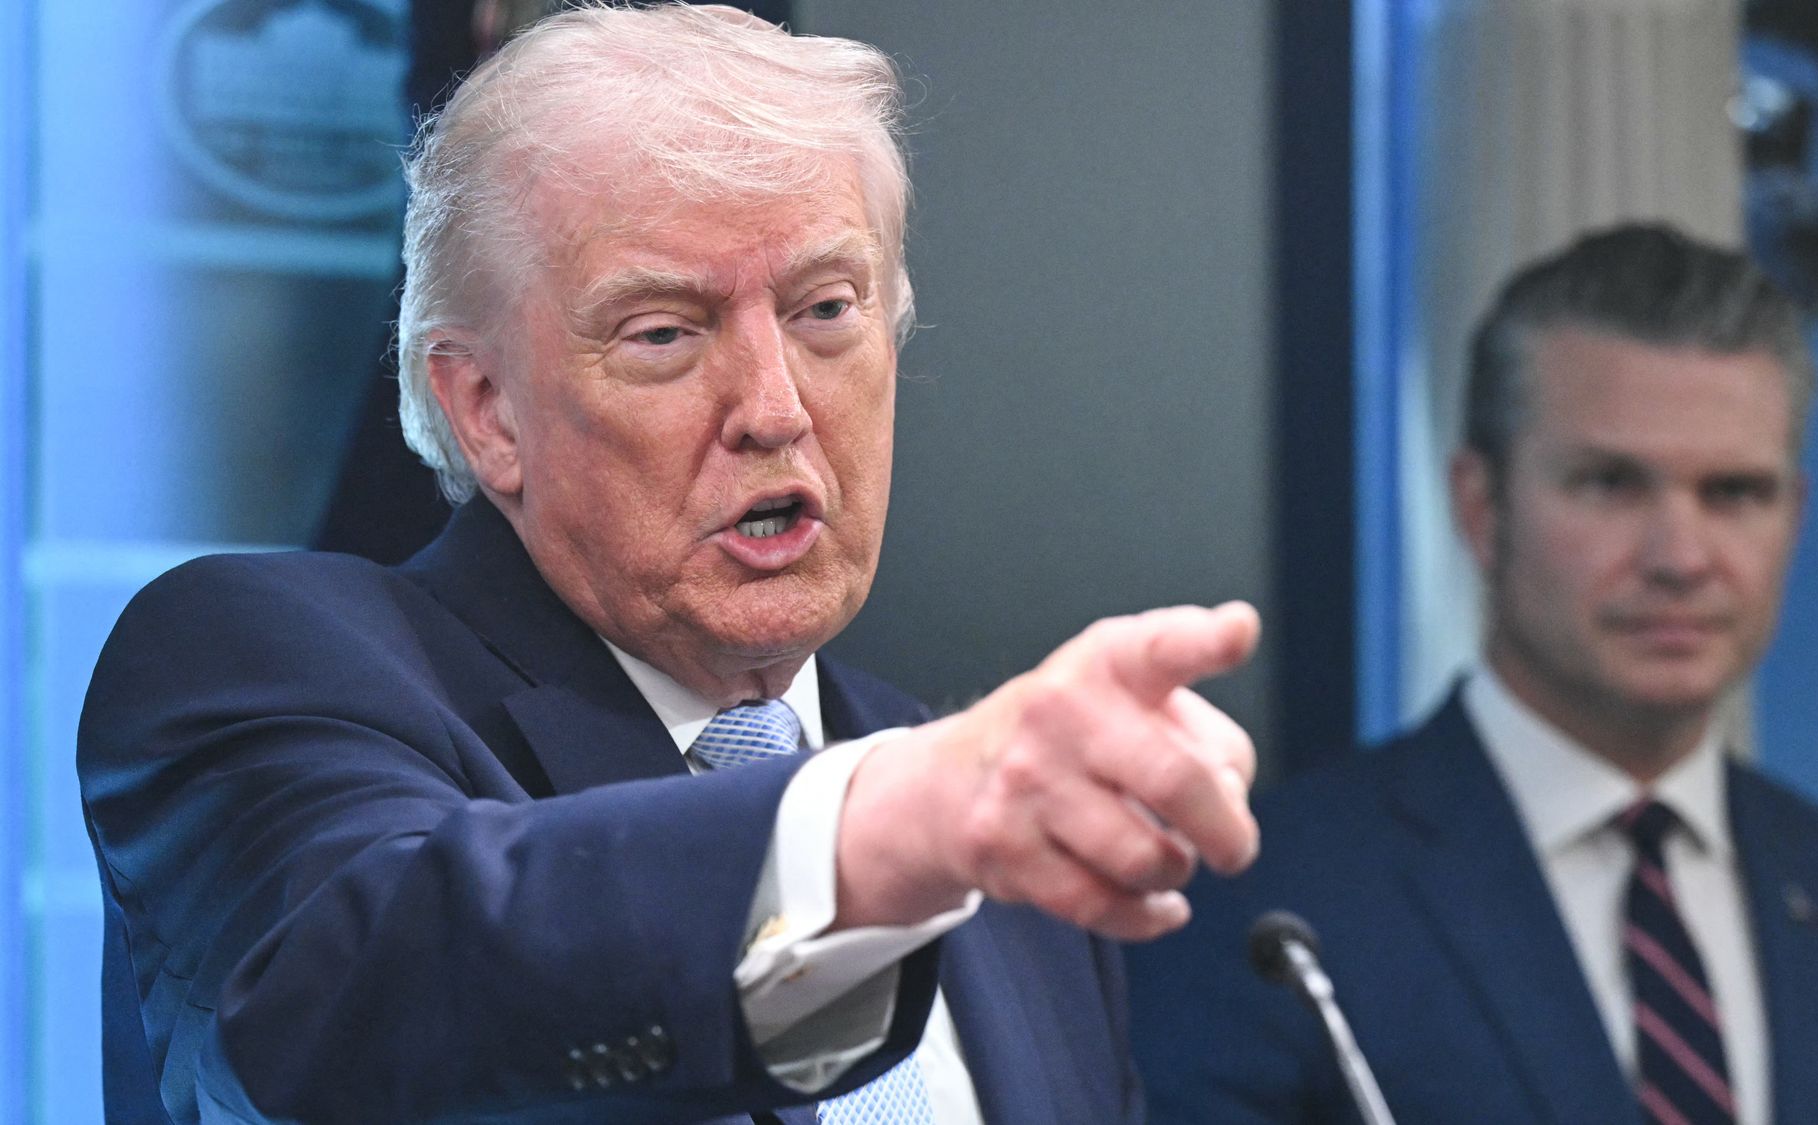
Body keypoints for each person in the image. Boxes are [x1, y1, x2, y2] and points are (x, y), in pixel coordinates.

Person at [78, 7, 1260, 1123]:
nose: (774, 407)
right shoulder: (261, 662)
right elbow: (343, 1004)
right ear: (485, 407)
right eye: (663, 332)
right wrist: (878, 834)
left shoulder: (997, 850)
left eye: (826, 309)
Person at [1126, 223, 1818, 1125]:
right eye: (1611, 484)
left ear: (1795, 515)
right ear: (1480, 505)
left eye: (1735, 492)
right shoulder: (1263, 898)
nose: (1681, 556)